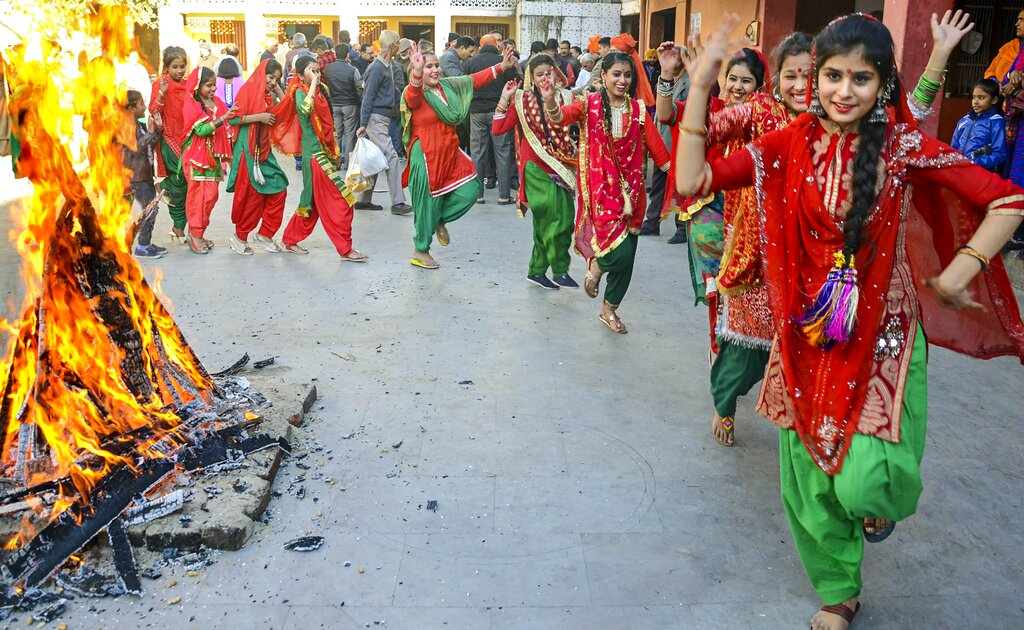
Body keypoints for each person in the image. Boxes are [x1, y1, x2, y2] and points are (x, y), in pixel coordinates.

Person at [676, 13, 1024, 630]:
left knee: (868, 483)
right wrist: (700, 85)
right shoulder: (785, 145)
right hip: (805, 332)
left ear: (882, 83)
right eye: (832, 75)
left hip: (885, 335)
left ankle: (874, 508)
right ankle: (839, 591)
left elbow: (1006, 199)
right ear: (815, 81)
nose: (843, 90)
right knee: (809, 481)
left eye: (860, 78)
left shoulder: (902, 146)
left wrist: (957, 274)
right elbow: (691, 180)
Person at [543, 51, 671, 333]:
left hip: (633, 195)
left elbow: (660, 153)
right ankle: (598, 266)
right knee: (619, 254)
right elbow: (558, 118)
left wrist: (684, 175)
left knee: (628, 258)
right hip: (601, 192)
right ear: (603, 76)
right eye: (616, 74)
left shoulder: (638, 111)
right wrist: (551, 99)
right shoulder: (588, 105)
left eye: (627, 75)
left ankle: (609, 309)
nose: (622, 80)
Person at [401, 42, 518, 269]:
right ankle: (420, 250)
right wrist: (416, 72)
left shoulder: (448, 86)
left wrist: (502, 66)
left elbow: (474, 80)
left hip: (450, 151)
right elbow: (413, 94)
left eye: (436, 65)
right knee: (428, 203)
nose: (435, 70)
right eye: (428, 67)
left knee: (472, 189)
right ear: (416, 71)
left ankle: (439, 220)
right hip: (425, 155)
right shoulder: (413, 92)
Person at [493, 54, 579, 289]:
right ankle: (560, 269)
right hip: (535, 167)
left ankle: (537, 271)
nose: (544, 78)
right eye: (539, 74)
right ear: (531, 77)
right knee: (555, 220)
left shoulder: (567, 97)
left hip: (562, 167)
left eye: (548, 73)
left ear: (555, 73)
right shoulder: (521, 100)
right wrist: (504, 98)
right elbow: (499, 128)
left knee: (558, 220)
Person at [271, 55, 368, 262]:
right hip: (314, 155)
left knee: (311, 202)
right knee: (342, 200)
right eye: (311, 71)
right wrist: (314, 83)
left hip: (322, 153)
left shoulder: (322, 90)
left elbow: (329, 124)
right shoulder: (300, 92)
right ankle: (345, 248)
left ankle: (289, 239)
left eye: (317, 70)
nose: (316, 74)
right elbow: (304, 111)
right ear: (299, 75)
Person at [226, 59, 288, 255]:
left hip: (263, 150)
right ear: (262, 73)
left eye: (276, 79)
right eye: (270, 77)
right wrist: (259, 117)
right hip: (248, 149)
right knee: (252, 196)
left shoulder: (269, 96)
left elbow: (286, 109)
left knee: (279, 187)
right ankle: (240, 237)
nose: (272, 82)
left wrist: (278, 89)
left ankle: (265, 233)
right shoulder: (248, 90)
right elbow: (233, 117)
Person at [355, 30, 412, 214]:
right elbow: (367, 97)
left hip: (382, 117)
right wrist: (363, 123)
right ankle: (397, 202)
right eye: (397, 43)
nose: (398, 47)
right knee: (392, 157)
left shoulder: (387, 65)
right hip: (376, 118)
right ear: (392, 45)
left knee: (376, 158)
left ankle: (363, 200)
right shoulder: (377, 68)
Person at [179, 67, 235, 254]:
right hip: (196, 159)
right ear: (197, 86)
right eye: (208, 85)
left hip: (212, 158)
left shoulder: (216, 102)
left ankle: (198, 234)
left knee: (210, 198)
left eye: (214, 85)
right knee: (198, 200)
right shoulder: (192, 105)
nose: (212, 89)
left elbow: (230, 122)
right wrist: (223, 118)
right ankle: (195, 236)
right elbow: (202, 131)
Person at [641, 43, 690, 241]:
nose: (672, 61)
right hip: (662, 140)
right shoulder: (665, 78)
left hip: (680, 141)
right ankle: (652, 222)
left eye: (676, 57)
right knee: (658, 184)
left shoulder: (691, 81)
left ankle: (681, 226)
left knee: (680, 187)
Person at [464, 34, 517, 205]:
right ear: (496, 45)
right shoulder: (503, 61)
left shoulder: (470, 63)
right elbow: (515, 81)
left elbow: (465, 85)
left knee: (478, 153)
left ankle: (478, 195)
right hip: (498, 111)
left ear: (480, 45)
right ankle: (503, 195)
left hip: (476, 112)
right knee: (502, 152)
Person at [149, 45, 189, 242]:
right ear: (166, 66)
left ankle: (164, 187)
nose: (179, 71)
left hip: (189, 141)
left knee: (190, 186)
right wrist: (162, 93)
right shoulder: (160, 84)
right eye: (175, 67)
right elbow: (153, 111)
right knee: (180, 184)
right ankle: (179, 227)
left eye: (182, 66)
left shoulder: (189, 85)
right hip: (171, 142)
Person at [122, 89, 166, 259]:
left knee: (149, 209)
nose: (145, 106)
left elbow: (150, 146)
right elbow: (137, 147)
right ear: (132, 107)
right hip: (136, 177)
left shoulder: (137, 124)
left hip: (144, 174)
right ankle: (142, 246)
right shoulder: (126, 126)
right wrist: (149, 132)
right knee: (149, 209)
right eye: (141, 104)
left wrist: (157, 129)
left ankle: (144, 243)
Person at [951, 78, 1006, 173]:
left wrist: (974, 162)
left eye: (981, 98)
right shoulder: (964, 121)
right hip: (959, 171)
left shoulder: (996, 121)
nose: (975, 102)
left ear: (994, 100)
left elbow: (999, 155)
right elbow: (953, 148)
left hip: (981, 174)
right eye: (974, 97)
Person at [323, 42, 363, 168]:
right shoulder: (353, 70)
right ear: (347, 55)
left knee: (337, 133)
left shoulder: (328, 69)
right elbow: (360, 86)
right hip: (350, 104)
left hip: (334, 104)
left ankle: (336, 162)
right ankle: (348, 163)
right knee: (350, 134)